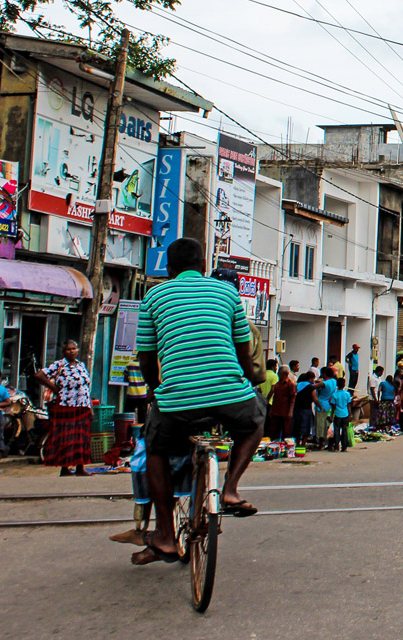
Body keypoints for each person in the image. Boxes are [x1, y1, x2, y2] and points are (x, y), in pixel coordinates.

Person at [133, 237, 264, 565]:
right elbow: (244, 353)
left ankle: (164, 534)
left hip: (177, 401)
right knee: (256, 419)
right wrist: (245, 383)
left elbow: (146, 359)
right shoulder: (228, 294)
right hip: (229, 395)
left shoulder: (153, 297)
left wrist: (155, 390)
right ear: (204, 267)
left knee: (155, 451)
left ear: (169, 268)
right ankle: (231, 488)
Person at [33, 340, 93, 477]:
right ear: (63, 352)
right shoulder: (59, 365)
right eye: (68, 349)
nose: (71, 351)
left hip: (82, 406)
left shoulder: (81, 365)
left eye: (74, 349)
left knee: (81, 437)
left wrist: (90, 408)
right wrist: (53, 388)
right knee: (66, 437)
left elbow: (85, 388)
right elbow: (39, 375)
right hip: (66, 406)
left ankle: (80, 467)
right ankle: (65, 468)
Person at [266, 364, 294, 441]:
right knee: (274, 431)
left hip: (285, 411)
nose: (278, 374)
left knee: (286, 432)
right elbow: (274, 397)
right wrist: (271, 410)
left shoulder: (290, 384)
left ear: (284, 374)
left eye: (279, 373)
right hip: (276, 410)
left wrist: (290, 412)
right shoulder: (277, 384)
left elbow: (292, 398)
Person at [314, 369, 339, 446]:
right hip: (330, 404)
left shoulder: (324, 383)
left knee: (321, 425)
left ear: (325, 374)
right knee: (328, 424)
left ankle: (321, 443)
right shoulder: (334, 381)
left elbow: (316, 386)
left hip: (321, 404)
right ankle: (329, 443)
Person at [292, 371, 316, 443]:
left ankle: (298, 444)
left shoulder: (297, 386)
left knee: (297, 428)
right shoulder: (311, 387)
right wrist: (320, 406)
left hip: (296, 409)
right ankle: (303, 445)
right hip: (306, 409)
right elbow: (315, 398)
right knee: (306, 429)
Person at [329, 383, 352, 452]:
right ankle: (344, 447)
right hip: (345, 414)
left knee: (337, 431)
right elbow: (349, 405)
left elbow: (333, 406)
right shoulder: (347, 394)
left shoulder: (334, 394)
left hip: (337, 414)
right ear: (344, 385)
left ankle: (336, 447)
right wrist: (350, 415)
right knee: (344, 431)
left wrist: (331, 416)